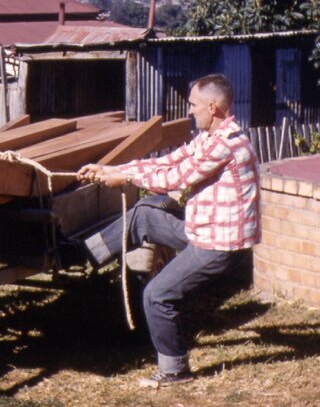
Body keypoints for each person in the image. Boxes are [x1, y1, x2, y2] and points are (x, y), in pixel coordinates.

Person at [78, 73, 261, 389]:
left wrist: (126, 179)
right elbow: (169, 161)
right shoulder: (210, 138)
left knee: (158, 295)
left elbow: (175, 178)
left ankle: (175, 370)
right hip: (203, 230)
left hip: (218, 245)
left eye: (193, 105)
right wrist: (113, 170)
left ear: (213, 106)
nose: (190, 111)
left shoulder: (225, 146)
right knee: (144, 215)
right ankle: (82, 256)